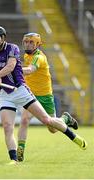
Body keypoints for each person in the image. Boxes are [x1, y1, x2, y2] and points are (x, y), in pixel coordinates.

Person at [0, 26, 87, 165]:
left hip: (26, 91)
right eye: (26, 42)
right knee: (9, 126)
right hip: (6, 94)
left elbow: (13, 67)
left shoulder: (16, 50)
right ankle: (15, 158)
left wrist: (0, 74)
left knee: (49, 123)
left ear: (2, 38)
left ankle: (73, 135)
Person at [17, 32, 79, 162]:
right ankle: (20, 150)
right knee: (24, 120)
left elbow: (30, 70)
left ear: (37, 44)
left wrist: (13, 69)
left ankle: (65, 118)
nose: (28, 44)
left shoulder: (39, 57)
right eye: (26, 42)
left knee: (52, 129)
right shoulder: (26, 55)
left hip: (45, 96)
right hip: (31, 95)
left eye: (31, 42)